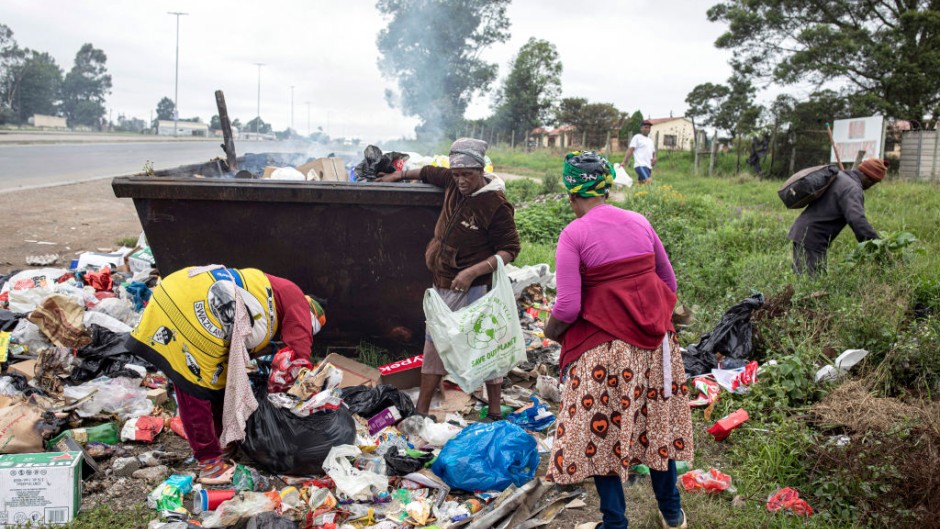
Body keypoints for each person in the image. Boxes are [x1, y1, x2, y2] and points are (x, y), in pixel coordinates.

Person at [543, 152, 693, 529]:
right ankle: (672, 514)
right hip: (657, 346)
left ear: (572, 193)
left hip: (606, 353)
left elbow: (568, 306)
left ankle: (615, 522)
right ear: (605, 187)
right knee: (656, 425)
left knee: (602, 431)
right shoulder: (640, 221)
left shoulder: (573, 233)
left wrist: (550, 333)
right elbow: (669, 285)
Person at [127, 266, 326, 484]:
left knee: (214, 385)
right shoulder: (296, 297)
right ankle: (210, 464)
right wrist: (306, 395)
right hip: (192, 305)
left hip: (179, 291)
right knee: (195, 389)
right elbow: (299, 355)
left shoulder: (272, 291)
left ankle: (223, 444)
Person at [377, 138, 521, 421]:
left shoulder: (495, 204)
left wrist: (472, 272)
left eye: (467, 174)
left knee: (486, 344)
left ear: (480, 170)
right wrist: (399, 174)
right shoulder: (453, 184)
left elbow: (510, 250)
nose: (461, 180)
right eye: (457, 174)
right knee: (435, 342)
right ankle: (422, 411)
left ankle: (494, 410)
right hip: (444, 283)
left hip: (478, 287)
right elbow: (429, 172)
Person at [788, 158, 885, 275]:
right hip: (812, 238)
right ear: (868, 177)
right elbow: (857, 220)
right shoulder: (852, 189)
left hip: (805, 233)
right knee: (810, 283)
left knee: (806, 279)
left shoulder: (840, 176)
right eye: (873, 182)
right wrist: (877, 244)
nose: (871, 186)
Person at [622, 120, 657, 184]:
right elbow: (630, 150)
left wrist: (654, 158)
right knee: (649, 182)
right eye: (645, 127)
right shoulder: (637, 137)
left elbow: (653, 152)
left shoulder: (650, 141)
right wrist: (624, 162)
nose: (647, 129)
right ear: (641, 128)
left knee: (641, 185)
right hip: (640, 165)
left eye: (649, 128)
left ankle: (634, 192)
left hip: (648, 166)